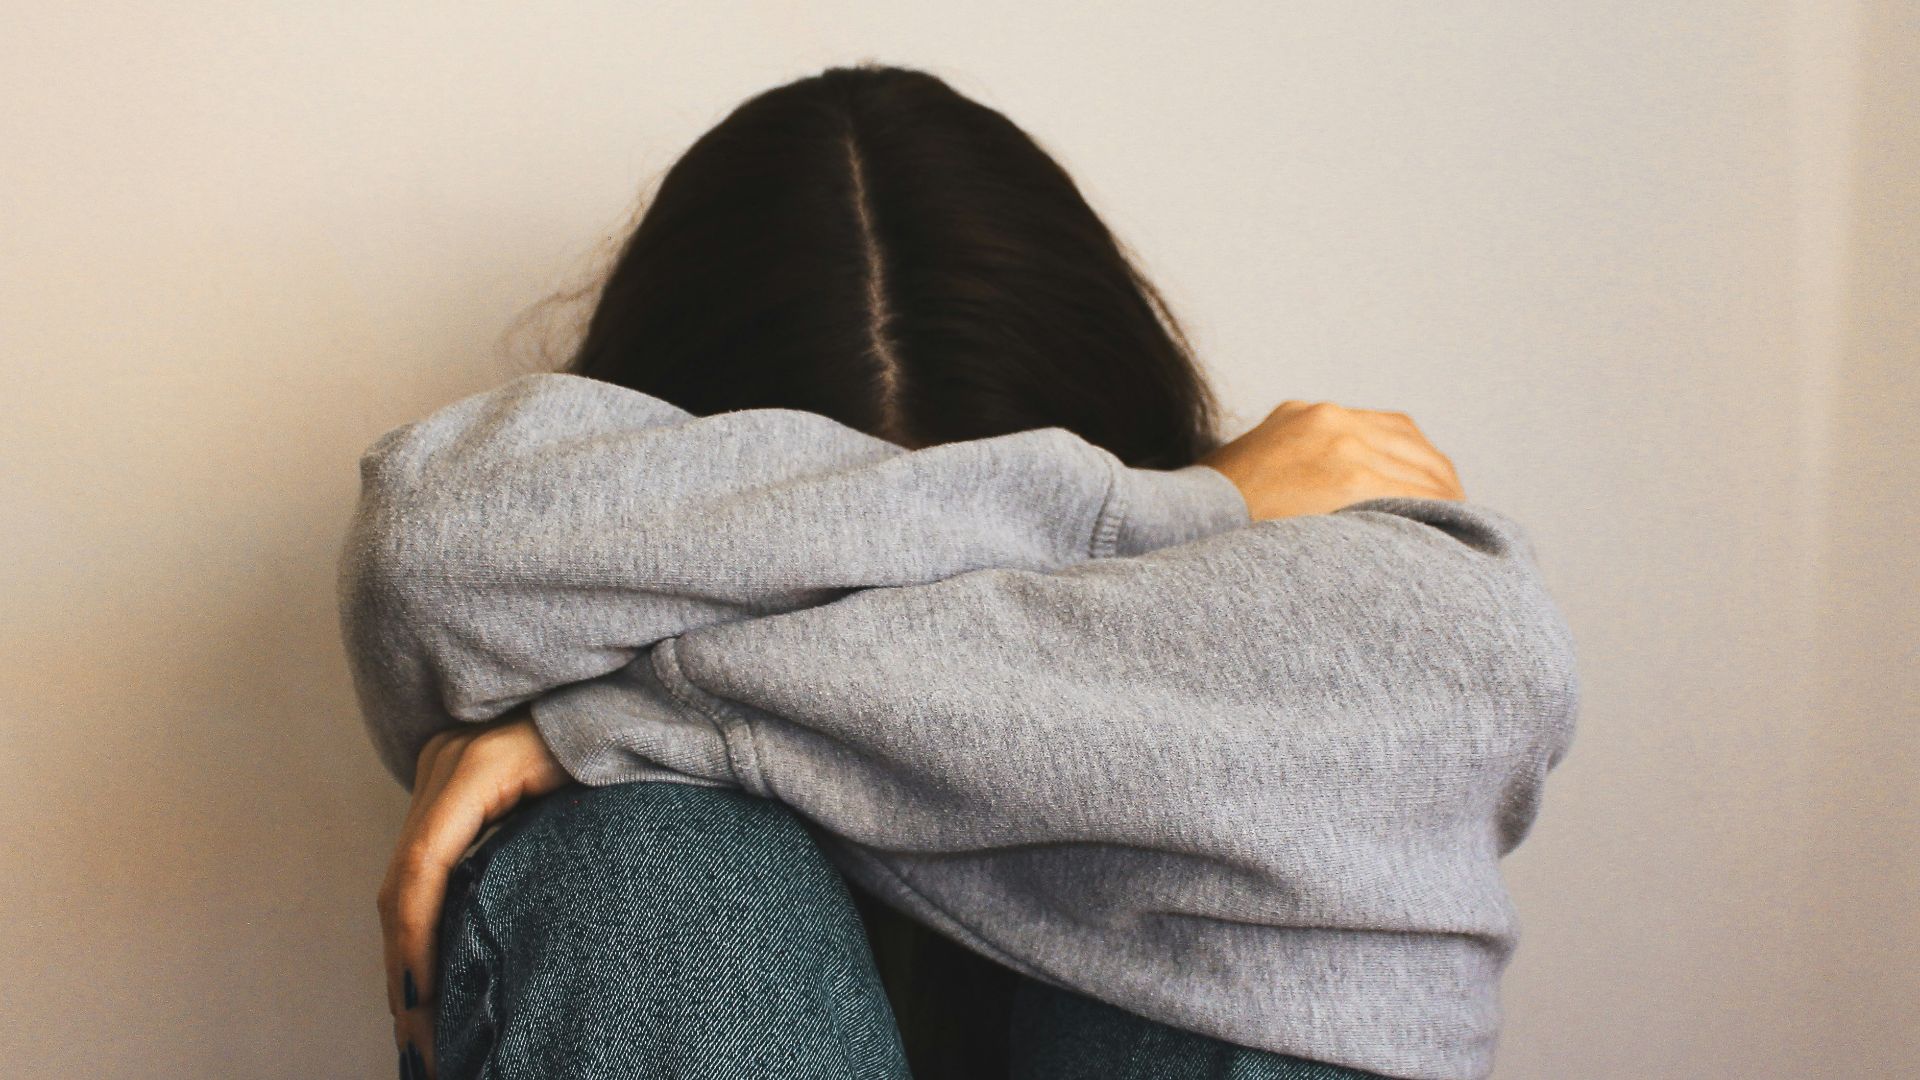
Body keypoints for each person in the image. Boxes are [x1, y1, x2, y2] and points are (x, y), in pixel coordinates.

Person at [336, 64, 1579, 1080]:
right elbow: (426, 550)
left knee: (1261, 875)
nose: (925, 626)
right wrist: (1179, 515)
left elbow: (1486, 667)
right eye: (842, 568)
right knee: (642, 863)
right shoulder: (1205, 514)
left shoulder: (1304, 579)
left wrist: (627, 711)